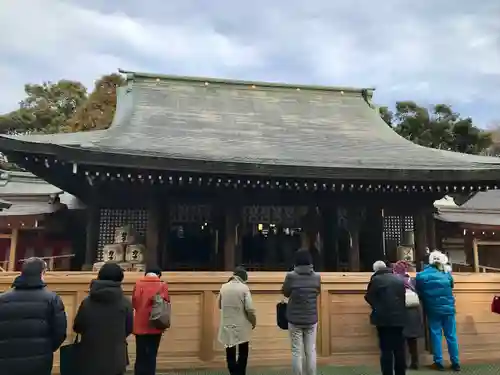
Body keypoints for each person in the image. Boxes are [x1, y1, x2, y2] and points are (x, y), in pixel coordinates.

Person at [0, 257, 67, 375]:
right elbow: (60, 332)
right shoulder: (52, 299)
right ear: (43, 273)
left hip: (6, 360)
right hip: (40, 362)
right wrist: (46, 349)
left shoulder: (3, 299)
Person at [73, 262, 133, 375]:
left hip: (90, 358)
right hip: (116, 359)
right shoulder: (125, 303)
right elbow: (129, 328)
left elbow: (78, 326)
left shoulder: (87, 303)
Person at [416, 251, 460, 372]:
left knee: (436, 335)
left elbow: (418, 290)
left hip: (433, 309)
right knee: (451, 335)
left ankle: (438, 362)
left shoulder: (421, 275)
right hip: (449, 309)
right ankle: (455, 362)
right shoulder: (447, 274)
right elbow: (451, 286)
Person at [282, 248, 321, 375]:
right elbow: (317, 292)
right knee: (310, 351)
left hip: (294, 319)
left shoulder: (291, 276)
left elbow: (286, 292)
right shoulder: (316, 277)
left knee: (296, 351)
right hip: (311, 318)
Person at [365, 260, 407, 375]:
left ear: (375, 270)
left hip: (383, 319)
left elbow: (368, 297)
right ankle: (401, 372)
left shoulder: (376, 280)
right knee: (399, 349)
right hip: (399, 318)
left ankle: (387, 372)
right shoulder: (398, 279)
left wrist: (377, 306)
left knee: (386, 349)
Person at [218, 267, 256, 375]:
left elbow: (219, 305)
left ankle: (233, 373)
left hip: (227, 325)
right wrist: (253, 321)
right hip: (242, 325)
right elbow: (250, 309)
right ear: (244, 278)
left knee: (230, 352)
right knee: (243, 352)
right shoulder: (244, 288)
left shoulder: (223, 287)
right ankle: (241, 372)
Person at [132, 266, 169, 375]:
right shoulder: (163, 285)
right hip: (156, 324)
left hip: (140, 325)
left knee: (140, 354)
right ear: (158, 275)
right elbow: (166, 303)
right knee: (152, 354)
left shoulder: (138, 284)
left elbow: (135, 303)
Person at [392, 260, 424, 369]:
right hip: (413, 311)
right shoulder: (412, 280)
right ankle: (415, 362)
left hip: (399, 311)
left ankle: (402, 363)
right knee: (412, 339)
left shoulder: (394, 280)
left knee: (400, 339)